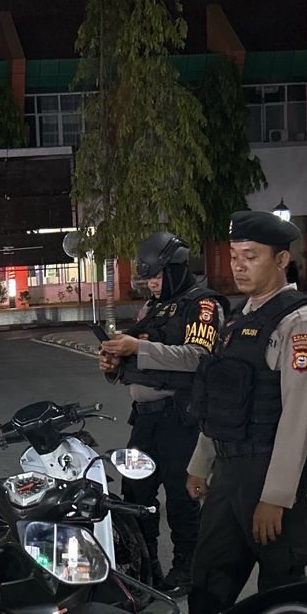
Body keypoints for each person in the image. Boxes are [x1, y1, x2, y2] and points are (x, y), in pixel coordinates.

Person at [185, 210, 307, 614]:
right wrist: (200, 464)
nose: (238, 266)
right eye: (234, 256)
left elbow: (299, 417)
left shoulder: (301, 325)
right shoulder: (238, 321)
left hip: (266, 474)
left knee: (281, 595)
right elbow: (221, 401)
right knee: (207, 585)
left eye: (250, 256)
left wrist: (276, 497)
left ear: (281, 259)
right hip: (227, 474)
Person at [97, 232, 225, 589]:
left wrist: (137, 347)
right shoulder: (152, 308)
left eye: (157, 276)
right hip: (145, 418)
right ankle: (146, 567)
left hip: (181, 417)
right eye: (148, 278)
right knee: (136, 496)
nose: (152, 283)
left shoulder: (202, 305)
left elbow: (198, 356)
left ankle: (187, 570)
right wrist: (113, 365)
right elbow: (140, 360)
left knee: (182, 498)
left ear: (176, 269)